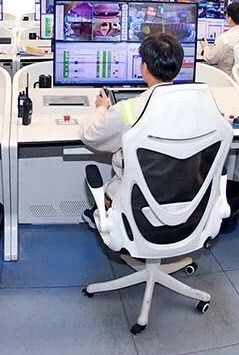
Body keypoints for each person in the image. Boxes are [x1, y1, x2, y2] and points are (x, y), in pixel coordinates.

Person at [78, 32, 183, 229]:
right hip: (185, 203)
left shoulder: (128, 110)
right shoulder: (197, 107)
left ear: (144, 67)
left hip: (137, 205)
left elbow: (90, 135)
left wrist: (101, 108)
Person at [199, 1, 239, 77]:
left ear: (229, 19)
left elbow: (210, 59)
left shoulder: (224, 39)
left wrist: (205, 47)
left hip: (227, 79)